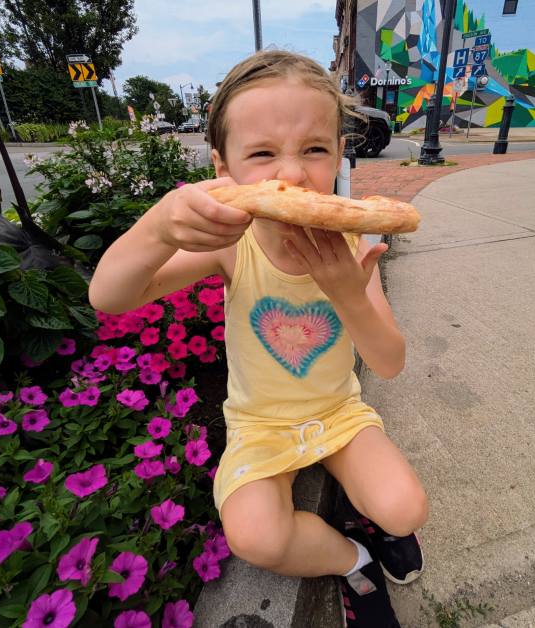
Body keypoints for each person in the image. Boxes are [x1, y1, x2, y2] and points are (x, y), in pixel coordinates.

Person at [88, 50, 425, 626]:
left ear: (340, 154)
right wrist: (157, 225)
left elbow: (388, 361)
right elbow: (110, 297)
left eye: (314, 149)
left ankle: (372, 519)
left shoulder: (351, 249)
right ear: (224, 170)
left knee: (405, 508)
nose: (291, 175)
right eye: (263, 154)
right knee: (256, 537)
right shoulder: (230, 248)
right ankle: (352, 558)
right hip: (260, 424)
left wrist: (348, 292)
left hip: (339, 413)